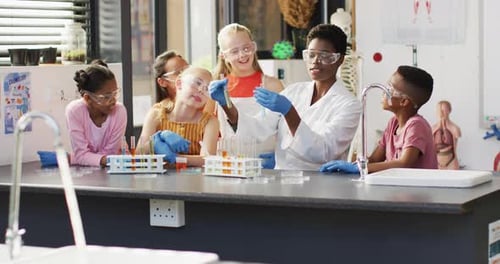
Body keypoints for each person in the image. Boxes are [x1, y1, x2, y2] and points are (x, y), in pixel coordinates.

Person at [209, 24, 362, 170]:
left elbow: (322, 152)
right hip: (282, 181)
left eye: (324, 56)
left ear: (340, 59)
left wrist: (289, 112)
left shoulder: (349, 105)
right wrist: (226, 104)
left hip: (321, 186)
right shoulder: (294, 91)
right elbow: (258, 129)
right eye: (311, 55)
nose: (315, 61)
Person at [320, 65, 438, 174]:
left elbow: (404, 163)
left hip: (418, 193)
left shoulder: (417, 125)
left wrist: (360, 169)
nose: (383, 91)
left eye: (389, 88)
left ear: (403, 101)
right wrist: (355, 163)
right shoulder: (393, 123)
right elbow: (375, 159)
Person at [205, 23, 284, 169]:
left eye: (246, 48)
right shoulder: (216, 89)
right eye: (234, 51)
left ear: (254, 47)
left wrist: (281, 156)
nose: (242, 55)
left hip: (264, 166)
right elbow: (208, 131)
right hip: (229, 165)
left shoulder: (272, 85)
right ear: (224, 56)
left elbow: (284, 129)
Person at [38, 59, 127, 167]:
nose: (113, 100)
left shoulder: (119, 112)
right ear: (88, 98)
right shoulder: (74, 111)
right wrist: (81, 158)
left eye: (115, 93)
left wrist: (72, 158)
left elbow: (110, 154)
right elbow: (99, 158)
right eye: (107, 97)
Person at [137, 66, 219, 167]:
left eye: (207, 88)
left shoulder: (210, 122)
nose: (201, 90)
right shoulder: (156, 113)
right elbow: (138, 154)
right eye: (198, 83)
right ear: (179, 84)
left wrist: (176, 158)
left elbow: (208, 159)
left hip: (196, 181)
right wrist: (154, 142)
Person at [432, 100, 461, 170]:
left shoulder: (454, 128)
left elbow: (457, 134)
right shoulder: (433, 128)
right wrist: (439, 125)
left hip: (451, 161)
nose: (441, 113)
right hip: (436, 162)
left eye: (443, 110)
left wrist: (446, 126)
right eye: (439, 110)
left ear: (449, 111)